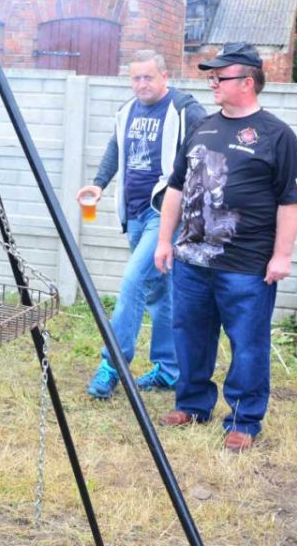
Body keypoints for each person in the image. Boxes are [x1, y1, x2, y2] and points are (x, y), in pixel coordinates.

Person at [153, 42, 297, 452]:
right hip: (192, 260)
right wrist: (165, 241)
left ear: (247, 82)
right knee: (190, 335)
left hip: (246, 266)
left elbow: (290, 202)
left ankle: (243, 420)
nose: (212, 83)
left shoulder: (277, 135)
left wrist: (282, 256)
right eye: (211, 76)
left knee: (248, 343)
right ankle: (192, 404)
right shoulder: (201, 127)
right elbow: (176, 188)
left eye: (220, 77)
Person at [77, 50, 207, 399]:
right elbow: (115, 147)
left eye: (148, 77)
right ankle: (169, 370)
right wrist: (99, 184)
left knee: (133, 281)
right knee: (159, 290)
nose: (141, 84)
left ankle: (112, 365)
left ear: (165, 76)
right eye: (136, 78)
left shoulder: (185, 110)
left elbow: (208, 153)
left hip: (163, 214)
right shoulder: (127, 111)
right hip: (133, 213)